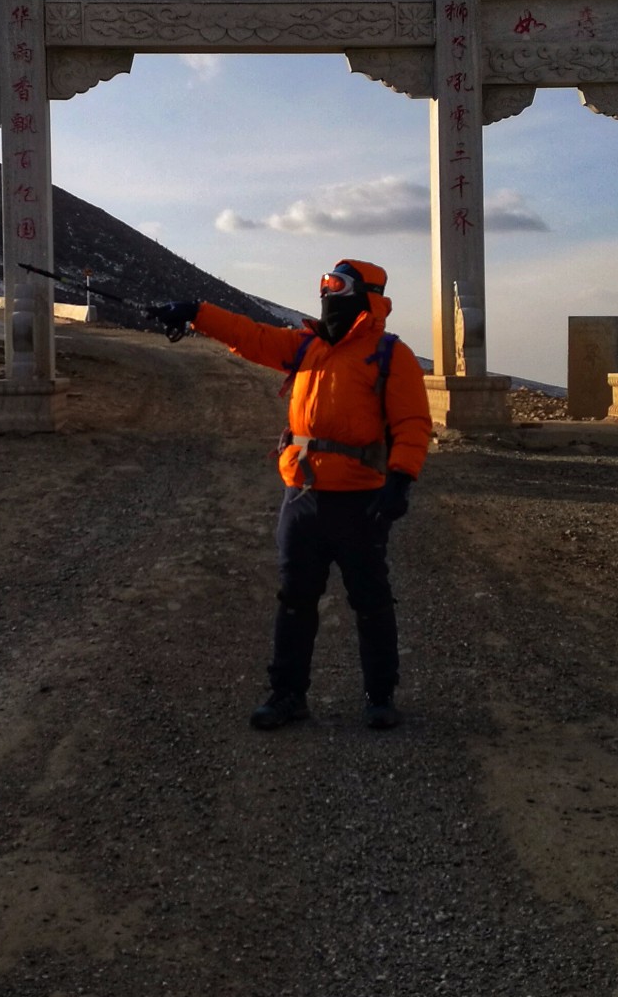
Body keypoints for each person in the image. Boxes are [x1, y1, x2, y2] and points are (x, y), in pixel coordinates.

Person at [150, 260, 431, 731]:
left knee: (371, 601)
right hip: (302, 496)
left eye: (338, 286)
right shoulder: (306, 346)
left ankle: (380, 697)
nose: (328, 295)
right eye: (324, 285)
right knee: (295, 599)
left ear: (369, 297)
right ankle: (287, 696)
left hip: (361, 500)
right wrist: (196, 312)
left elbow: (411, 424)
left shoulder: (389, 354)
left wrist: (401, 480)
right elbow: (251, 335)